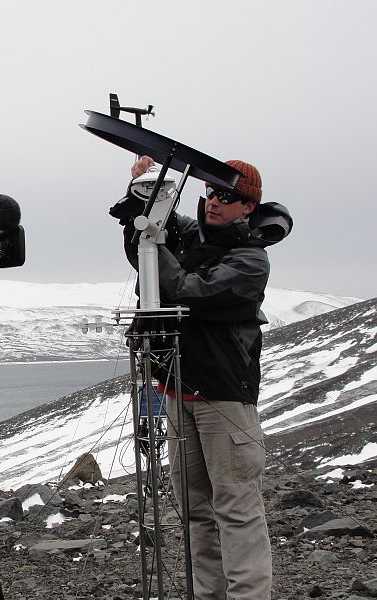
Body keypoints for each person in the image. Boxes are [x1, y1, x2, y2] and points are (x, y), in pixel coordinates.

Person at [111, 155, 292, 600]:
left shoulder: (250, 261)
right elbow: (146, 244)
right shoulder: (195, 238)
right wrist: (145, 195)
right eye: (210, 192)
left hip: (224, 399)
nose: (214, 201)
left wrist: (156, 243)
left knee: (236, 507)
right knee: (195, 509)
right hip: (178, 392)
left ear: (248, 207)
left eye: (227, 196)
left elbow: (192, 292)